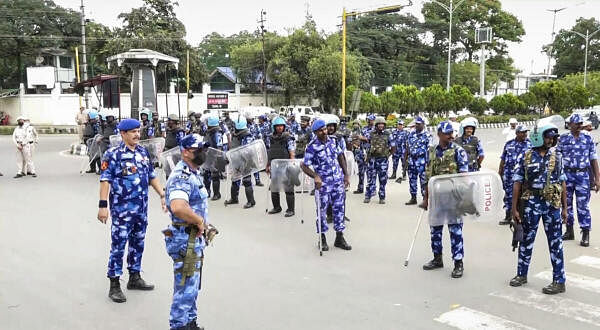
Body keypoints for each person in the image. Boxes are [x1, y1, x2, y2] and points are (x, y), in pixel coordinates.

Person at [97, 118, 166, 303]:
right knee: (118, 246)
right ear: (123, 133)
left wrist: (162, 194)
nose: (137, 134)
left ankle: (134, 277)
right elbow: (105, 180)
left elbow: (152, 176)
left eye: (138, 131)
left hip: (141, 210)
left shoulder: (143, 152)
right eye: (133, 132)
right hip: (122, 211)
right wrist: (103, 206)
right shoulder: (113, 154)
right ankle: (114, 284)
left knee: (138, 243)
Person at [509, 124, 568, 294]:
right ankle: (521, 274)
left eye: (553, 137)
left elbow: (562, 182)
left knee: (555, 242)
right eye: (548, 137)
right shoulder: (526, 156)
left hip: (551, 205)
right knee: (526, 240)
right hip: (531, 203)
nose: (551, 140)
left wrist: (565, 208)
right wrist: (514, 208)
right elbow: (517, 183)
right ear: (539, 137)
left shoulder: (557, 156)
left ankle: (559, 281)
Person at [164, 133, 212, 330]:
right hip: (185, 239)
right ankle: (179, 325)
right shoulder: (181, 176)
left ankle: (190, 322)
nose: (203, 153)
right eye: (198, 150)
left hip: (192, 237)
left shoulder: (193, 172)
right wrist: (199, 221)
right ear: (185, 153)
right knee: (185, 287)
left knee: (192, 286)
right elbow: (178, 207)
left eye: (204, 149)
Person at [420, 121, 469, 278]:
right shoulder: (432, 151)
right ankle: (437, 258)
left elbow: (464, 176)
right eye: (447, 134)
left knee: (455, 231)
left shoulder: (458, 151)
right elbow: (429, 177)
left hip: (453, 198)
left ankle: (458, 263)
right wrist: (426, 198)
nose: (451, 136)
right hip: (437, 197)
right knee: (435, 229)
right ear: (439, 134)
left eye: (451, 133)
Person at [301, 119, 351, 251]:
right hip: (323, 185)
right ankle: (321, 239)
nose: (324, 132)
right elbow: (304, 165)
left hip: (337, 182)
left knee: (339, 210)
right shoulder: (312, 146)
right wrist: (315, 176)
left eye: (325, 129)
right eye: (321, 130)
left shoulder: (333, 141)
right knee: (322, 212)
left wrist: (346, 174)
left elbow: (341, 157)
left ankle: (339, 238)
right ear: (316, 132)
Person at [557, 114, 600, 247]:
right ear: (570, 125)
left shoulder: (588, 138)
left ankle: (585, 232)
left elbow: (593, 159)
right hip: (567, 175)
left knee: (583, 206)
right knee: (566, 204)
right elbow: (557, 159)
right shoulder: (563, 139)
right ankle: (569, 231)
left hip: (582, 176)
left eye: (581, 123)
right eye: (577, 124)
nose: (580, 126)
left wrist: (597, 179)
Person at [498, 125, 532, 225]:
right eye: (522, 132)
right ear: (517, 133)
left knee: (524, 195)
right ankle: (508, 216)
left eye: (526, 132)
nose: (525, 134)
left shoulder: (530, 144)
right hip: (509, 174)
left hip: (524, 175)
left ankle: (523, 216)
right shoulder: (509, 144)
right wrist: (500, 172)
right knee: (508, 195)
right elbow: (503, 159)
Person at [266, 116, 296, 217]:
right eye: (277, 126)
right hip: (275, 166)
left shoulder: (287, 137)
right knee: (274, 188)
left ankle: (291, 209)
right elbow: (269, 152)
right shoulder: (270, 138)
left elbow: (291, 151)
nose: (279, 128)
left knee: (288, 189)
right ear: (274, 127)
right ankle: (276, 207)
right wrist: (267, 164)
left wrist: (292, 164)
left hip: (286, 166)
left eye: (281, 126)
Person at [224, 116, 256, 208]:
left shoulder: (247, 135)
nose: (232, 125)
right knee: (235, 180)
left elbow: (248, 150)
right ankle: (234, 198)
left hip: (246, 162)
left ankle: (251, 201)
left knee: (246, 181)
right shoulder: (235, 134)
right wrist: (228, 155)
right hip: (236, 160)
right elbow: (232, 146)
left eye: (234, 124)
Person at [364, 117, 395, 204]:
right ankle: (368, 196)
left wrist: (388, 155)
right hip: (372, 160)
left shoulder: (388, 134)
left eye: (382, 124)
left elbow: (393, 146)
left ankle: (382, 197)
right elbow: (367, 144)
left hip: (383, 160)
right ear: (376, 125)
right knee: (371, 179)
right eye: (379, 124)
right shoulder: (371, 133)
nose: (381, 125)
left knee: (383, 179)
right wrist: (367, 156)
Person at [405, 116, 432, 205]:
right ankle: (413, 198)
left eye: (419, 124)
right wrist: (405, 159)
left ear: (423, 124)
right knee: (412, 180)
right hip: (412, 160)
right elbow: (408, 147)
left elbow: (430, 150)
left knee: (424, 181)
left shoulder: (428, 135)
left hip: (422, 161)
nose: (417, 125)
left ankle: (425, 199)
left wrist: (429, 163)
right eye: (416, 124)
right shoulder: (411, 134)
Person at [354, 115, 375, 194]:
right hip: (362, 152)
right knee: (361, 171)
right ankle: (360, 188)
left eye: (370, 120)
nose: (369, 121)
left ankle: (371, 189)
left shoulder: (375, 130)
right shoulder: (364, 129)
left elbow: (372, 139)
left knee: (370, 172)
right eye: (368, 120)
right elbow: (359, 139)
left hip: (371, 153)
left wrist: (363, 138)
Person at [204, 116, 224, 200]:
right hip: (208, 155)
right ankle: (207, 191)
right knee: (206, 174)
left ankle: (217, 194)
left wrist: (218, 160)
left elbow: (219, 147)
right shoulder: (209, 132)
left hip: (215, 156)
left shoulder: (217, 133)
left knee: (215, 176)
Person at [247, 114, 264, 186]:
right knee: (247, 165)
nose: (252, 119)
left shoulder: (256, 125)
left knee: (255, 164)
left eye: (252, 118)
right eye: (250, 118)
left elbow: (260, 135)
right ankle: (247, 181)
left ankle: (257, 180)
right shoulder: (244, 125)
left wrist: (259, 144)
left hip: (254, 146)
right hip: (245, 148)